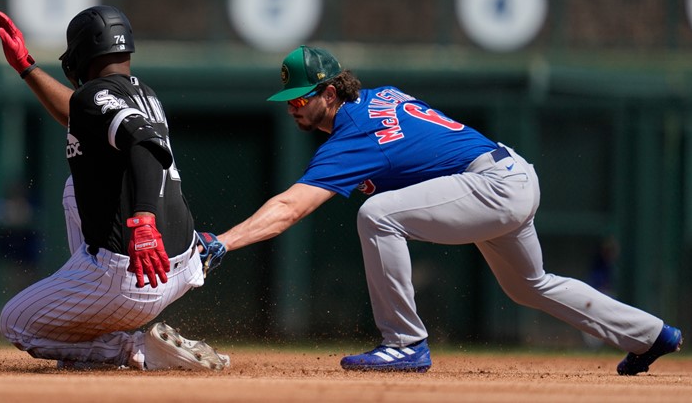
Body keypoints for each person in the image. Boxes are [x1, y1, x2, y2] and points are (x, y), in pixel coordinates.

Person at [213, 45, 683, 374]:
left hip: (493, 185)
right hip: (509, 174)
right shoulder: (383, 96)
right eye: (287, 100)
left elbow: (291, 207)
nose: (291, 107)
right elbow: (422, 150)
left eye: (299, 97)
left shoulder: (353, 133)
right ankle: (651, 335)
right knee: (529, 285)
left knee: (377, 214)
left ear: (330, 93)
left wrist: (223, 241)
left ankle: (404, 344)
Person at [0, 6, 228, 370]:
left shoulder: (93, 95)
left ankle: (136, 350)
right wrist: (27, 67)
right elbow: (84, 113)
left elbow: (145, 146)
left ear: (81, 54)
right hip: (177, 265)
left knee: (15, 322)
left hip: (134, 274)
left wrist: (144, 219)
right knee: (75, 188)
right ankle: (92, 326)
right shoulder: (144, 93)